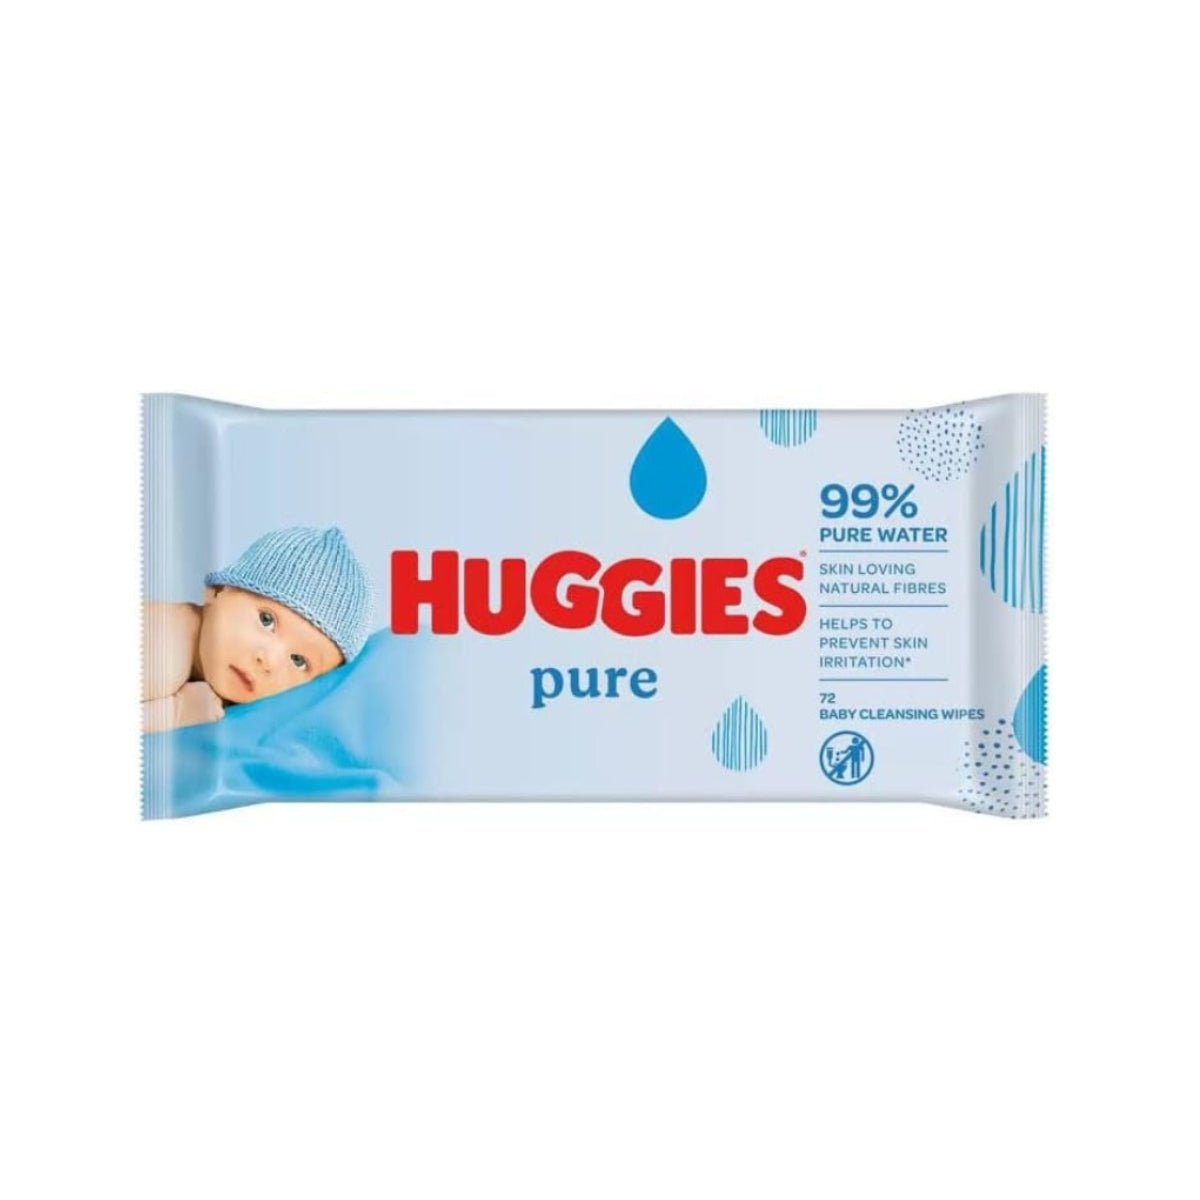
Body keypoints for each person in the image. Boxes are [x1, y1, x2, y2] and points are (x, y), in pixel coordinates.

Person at [142, 526, 371, 731]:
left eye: (298, 660)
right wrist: (177, 712)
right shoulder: (163, 643)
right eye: (266, 620)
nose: (268, 660)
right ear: (217, 591)